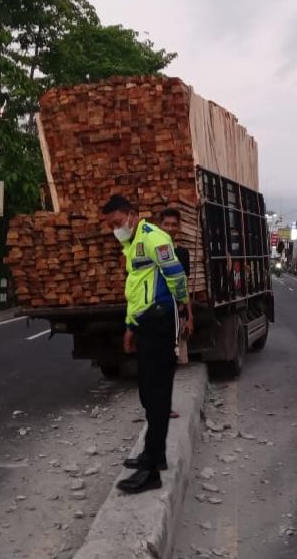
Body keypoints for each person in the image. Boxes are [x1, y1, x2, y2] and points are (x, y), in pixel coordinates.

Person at [101, 195, 188, 494]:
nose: (115, 230)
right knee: (148, 392)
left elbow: (175, 272)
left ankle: (151, 469)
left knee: (158, 392)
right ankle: (155, 456)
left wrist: (183, 305)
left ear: (131, 215)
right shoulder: (131, 245)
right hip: (146, 322)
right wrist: (130, 326)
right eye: (111, 226)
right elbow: (136, 288)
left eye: (116, 223)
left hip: (161, 320)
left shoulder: (153, 237)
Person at [158, 208, 194, 369]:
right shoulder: (152, 252)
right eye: (166, 224)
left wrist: (190, 317)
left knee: (178, 362)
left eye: (173, 225)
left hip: (177, 315)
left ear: (178, 227)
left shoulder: (182, 253)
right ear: (160, 225)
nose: (170, 228)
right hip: (157, 313)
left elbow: (183, 286)